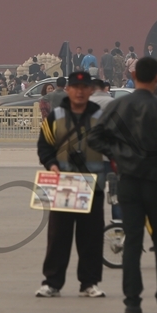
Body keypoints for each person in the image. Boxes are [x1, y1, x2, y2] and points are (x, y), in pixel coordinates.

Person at [89, 56, 157, 313]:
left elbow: (95, 137)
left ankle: (132, 300)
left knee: (132, 240)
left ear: (133, 75)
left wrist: (118, 153)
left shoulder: (118, 105)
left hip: (128, 181)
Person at [35, 69, 107, 298]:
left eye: (85, 87)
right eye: (75, 88)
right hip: (64, 183)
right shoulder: (55, 116)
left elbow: (115, 145)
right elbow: (44, 146)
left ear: (90, 90)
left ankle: (90, 282)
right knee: (58, 235)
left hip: (92, 185)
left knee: (92, 236)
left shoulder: (101, 117)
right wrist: (51, 163)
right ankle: (52, 282)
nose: (80, 92)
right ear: (68, 90)